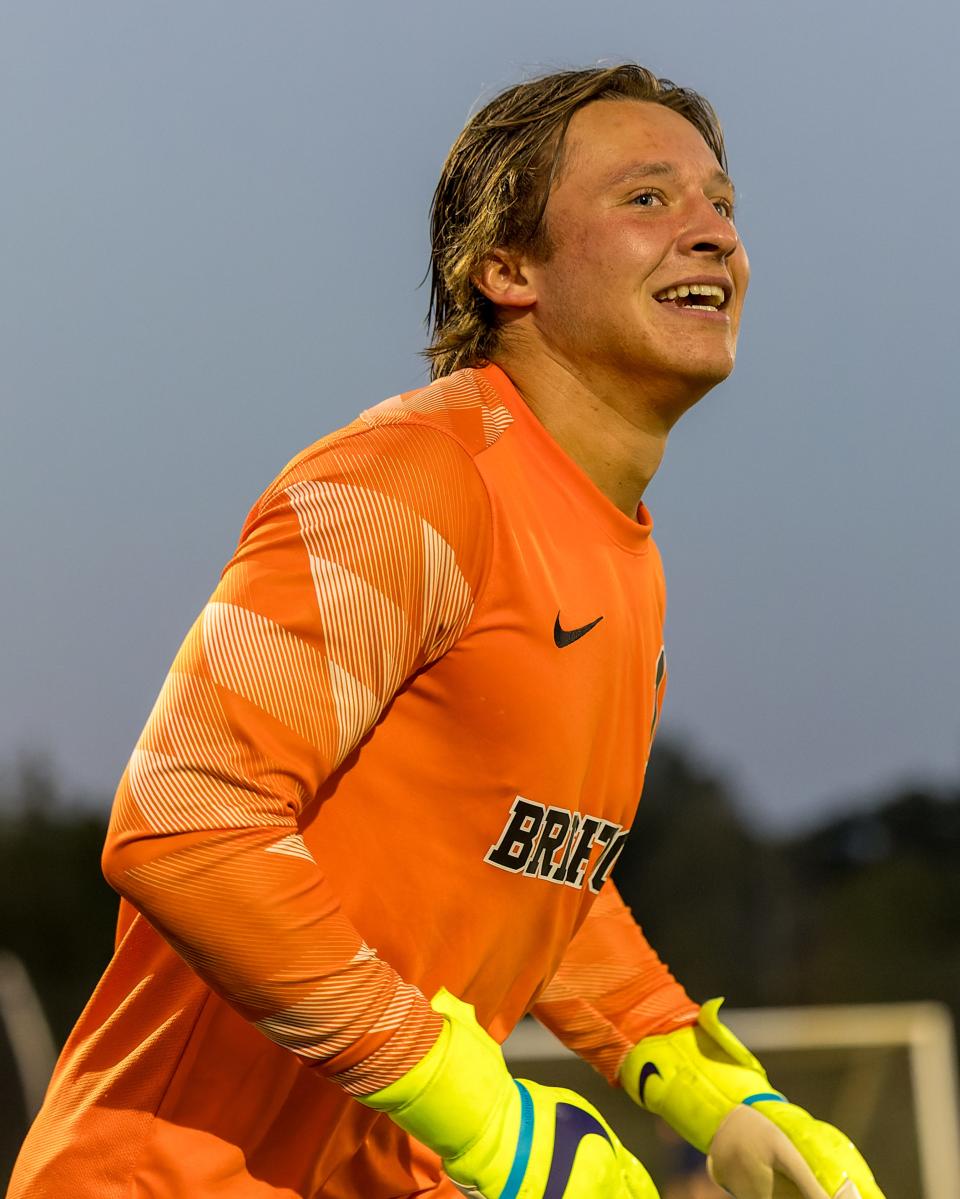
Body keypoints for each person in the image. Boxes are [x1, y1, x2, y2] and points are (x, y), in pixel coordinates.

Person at [10, 64, 884, 1199]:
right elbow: (185, 822)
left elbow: (537, 868)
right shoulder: (411, 480)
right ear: (505, 267)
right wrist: (486, 1112)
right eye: (648, 199)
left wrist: (714, 1089)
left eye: (723, 203)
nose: (715, 233)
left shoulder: (625, 559)